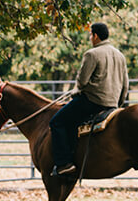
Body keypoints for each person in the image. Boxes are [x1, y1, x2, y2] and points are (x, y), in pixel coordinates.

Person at [49, 22, 129, 177]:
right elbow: (125, 85)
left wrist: (75, 93)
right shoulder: (120, 55)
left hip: (92, 101)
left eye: (90, 35)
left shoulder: (92, 54)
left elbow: (82, 81)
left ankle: (64, 163)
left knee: (57, 121)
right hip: (112, 104)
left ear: (96, 36)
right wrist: (117, 104)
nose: (90, 38)